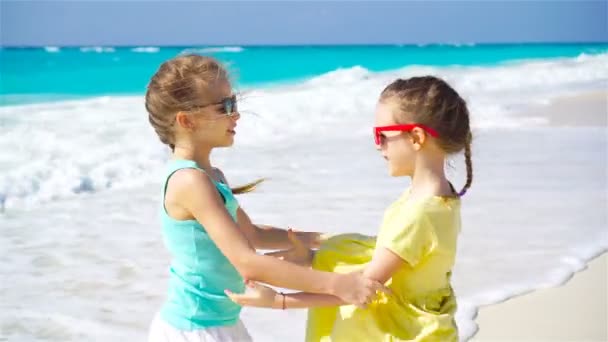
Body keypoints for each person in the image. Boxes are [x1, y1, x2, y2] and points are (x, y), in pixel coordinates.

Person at [144, 54, 388, 342]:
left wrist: (328, 239)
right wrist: (338, 284)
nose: (236, 115)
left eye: (235, 103)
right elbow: (248, 263)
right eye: (225, 106)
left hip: (220, 322)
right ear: (187, 120)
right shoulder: (189, 181)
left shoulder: (211, 175)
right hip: (194, 328)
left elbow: (252, 234)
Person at [228, 76, 473, 342]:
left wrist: (277, 300)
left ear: (416, 137)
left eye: (383, 135)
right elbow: (392, 258)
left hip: (397, 332)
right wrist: (313, 257)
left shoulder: (419, 213)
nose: (378, 145)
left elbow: (360, 288)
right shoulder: (441, 196)